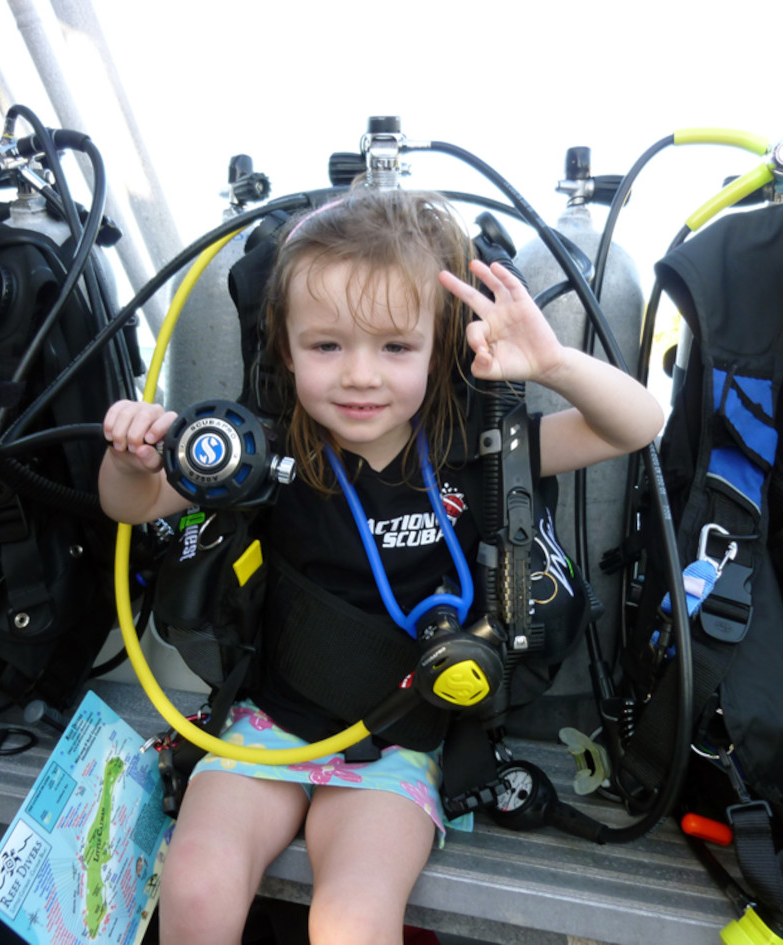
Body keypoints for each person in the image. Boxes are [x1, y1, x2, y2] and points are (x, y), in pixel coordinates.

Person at [99, 187, 664, 945]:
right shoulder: (267, 450)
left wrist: (554, 363)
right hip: (268, 725)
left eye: (395, 347)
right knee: (195, 888)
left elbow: (636, 425)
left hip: (402, 739)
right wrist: (131, 458)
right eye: (326, 346)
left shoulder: (485, 449)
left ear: (441, 344)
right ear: (284, 346)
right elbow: (130, 507)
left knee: (351, 923)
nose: (360, 376)